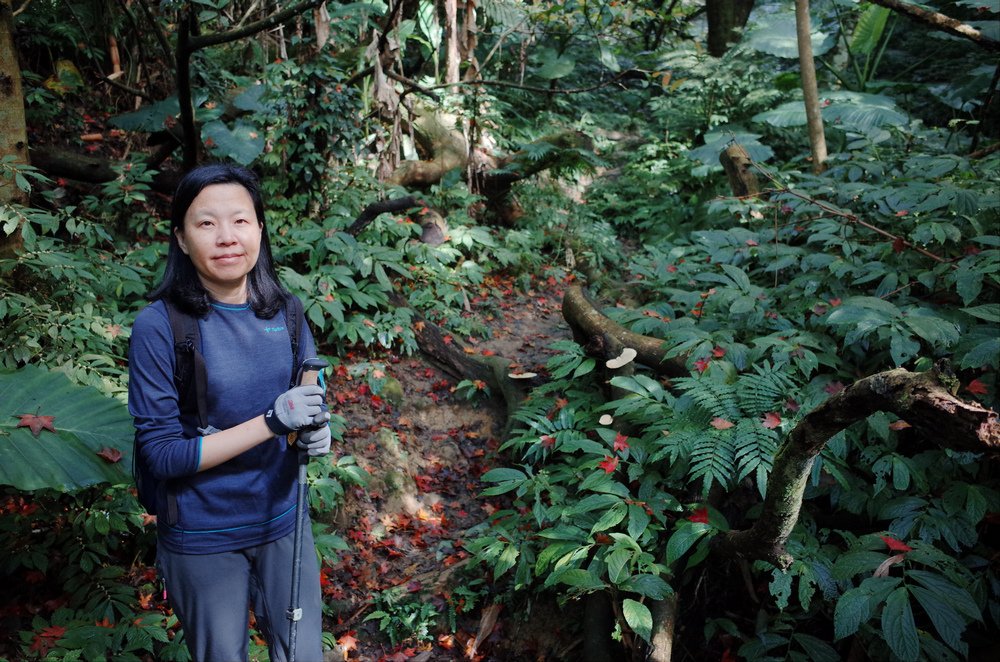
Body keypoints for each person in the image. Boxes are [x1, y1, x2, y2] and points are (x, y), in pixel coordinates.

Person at [128, 163, 330, 662]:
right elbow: (164, 456)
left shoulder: (286, 310)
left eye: (240, 221)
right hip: (202, 533)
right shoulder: (160, 328)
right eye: (205, 223)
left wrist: (315, 430)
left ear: (259, 228)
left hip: (283, 518)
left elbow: (309, 385)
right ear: (180, 237)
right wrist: (271, 422)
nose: (226, 237)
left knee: (303, 655)